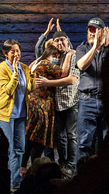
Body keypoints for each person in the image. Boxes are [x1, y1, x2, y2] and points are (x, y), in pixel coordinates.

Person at [34, 26, 80, 177]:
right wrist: (46, 33)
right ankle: (63, 163)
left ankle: (72, 165)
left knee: (71, 135)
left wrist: (48, 82)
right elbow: (38, 52)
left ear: (67, 40)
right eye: (57, 40)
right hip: (56, 103)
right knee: (59, 136)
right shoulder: (54, 56)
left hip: (71, 101)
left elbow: (70, 79)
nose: (60, 43)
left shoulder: (73, 55)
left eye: (62, 39)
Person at [75, 17, 109, 160]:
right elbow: (82, 66)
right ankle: (82, 177)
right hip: (87, 101)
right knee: (83, 142)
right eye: (90, 30)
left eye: (96, 30)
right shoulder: (82, 48)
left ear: (103, 32)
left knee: (108, 142)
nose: (92, 33)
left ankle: (106, 177)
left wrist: (106, 46)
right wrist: (95, 47)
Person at [0, 40, 37, 189]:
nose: (16, 54)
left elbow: (30, 89)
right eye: (12, 52)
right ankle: (1, 178)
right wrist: (15, 73)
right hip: (5, 114)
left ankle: (15, 180)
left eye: (18, 51)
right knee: (8, 148)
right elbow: (8, 90)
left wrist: (32, 74)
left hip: (20, 114)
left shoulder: (24, 67)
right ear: (6, 53)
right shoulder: (2, 69)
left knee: (20, 148)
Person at [22, 45, 67, 172]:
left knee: (33, 136)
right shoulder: (46, 63)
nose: (56, 59)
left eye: (58, 57)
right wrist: (68, 55)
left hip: (36, 103)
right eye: (54, 56)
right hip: (41, 104)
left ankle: (25, 166)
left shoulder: (37, 62)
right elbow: (63, 72)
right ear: (47, 55)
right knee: (38, 137)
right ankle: (31, 168)